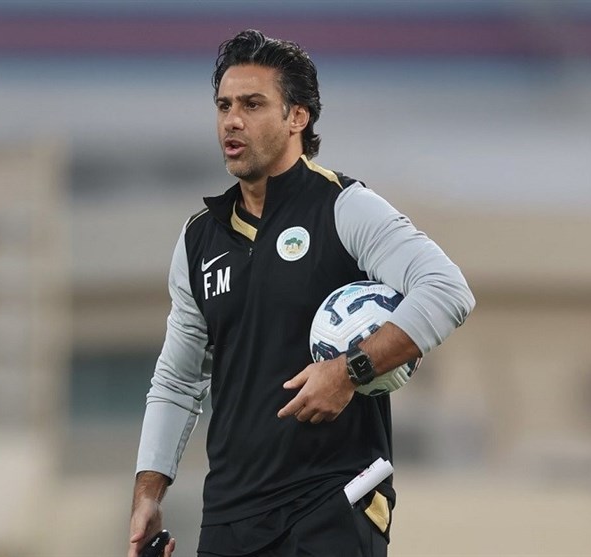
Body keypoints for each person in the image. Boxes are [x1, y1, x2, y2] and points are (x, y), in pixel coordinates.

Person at [128, 29, 475, 557]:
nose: (232, 121)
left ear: (297, 116)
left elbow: (447, 290)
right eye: (224, 106)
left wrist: (350, 370)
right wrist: (149, 494)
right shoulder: (199, 239)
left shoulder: (344, 207)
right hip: (230, 516)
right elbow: (177, 380)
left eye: (252, 104)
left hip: (330, 503)